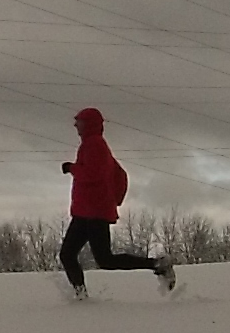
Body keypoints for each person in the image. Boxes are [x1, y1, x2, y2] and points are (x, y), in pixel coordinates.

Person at [61, 107, 174, 296]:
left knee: (103, 260)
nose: (75, 125)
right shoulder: (93, 144)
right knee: (69, 255)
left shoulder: (95, 145)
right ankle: (80, 296)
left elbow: (93, 174)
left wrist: (71, 168)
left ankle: (158, 264)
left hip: (94, 212)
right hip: (87, 211)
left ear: (88, 124)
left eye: (78, 121)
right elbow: (118, 174)